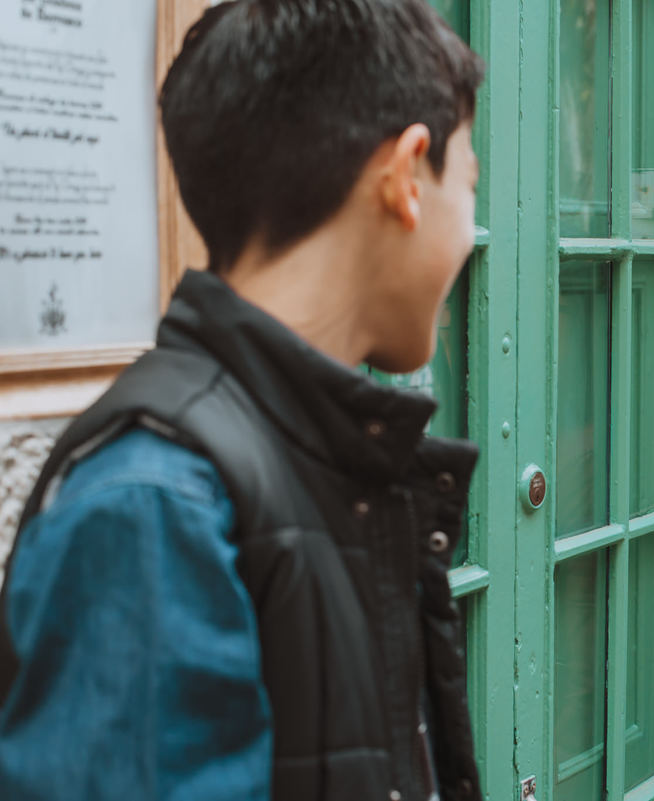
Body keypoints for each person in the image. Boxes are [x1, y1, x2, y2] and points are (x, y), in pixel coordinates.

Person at [0, 2, 485, 800]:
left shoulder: (317, 456)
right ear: (406, 177)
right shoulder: (153, 504)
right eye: (469, 183)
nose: (471, 227)